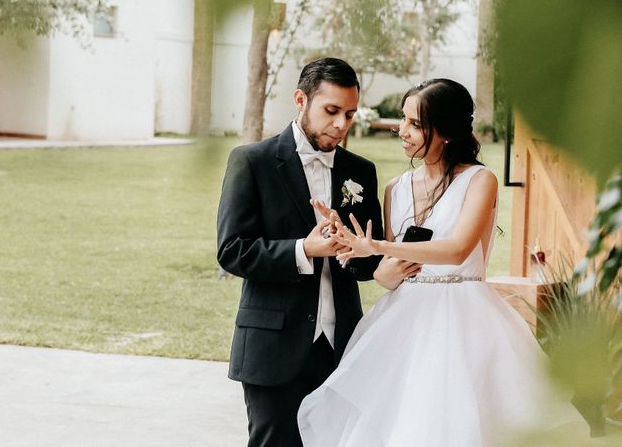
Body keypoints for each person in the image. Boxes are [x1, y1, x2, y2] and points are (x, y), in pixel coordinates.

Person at [297, 78, 588, 446]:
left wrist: (381, 246)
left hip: (465, 319)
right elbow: (390, 273)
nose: (402, 131)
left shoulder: (481, 180)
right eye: (403, 120)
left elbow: (457, 250)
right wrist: (361, 250)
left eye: (415, 124)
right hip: (403, 324)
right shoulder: (395, 188)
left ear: (446, 131)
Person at [216, 57, 419, 447]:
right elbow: (232, 250)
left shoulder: (361, 171)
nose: (342, 125)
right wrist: (303, 249)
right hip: (272, 347)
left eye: (349, 114)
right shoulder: (252, 161)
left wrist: (355, 251)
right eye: (331, 111)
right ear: (300, 100)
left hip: (342, 346)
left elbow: (368, 264)